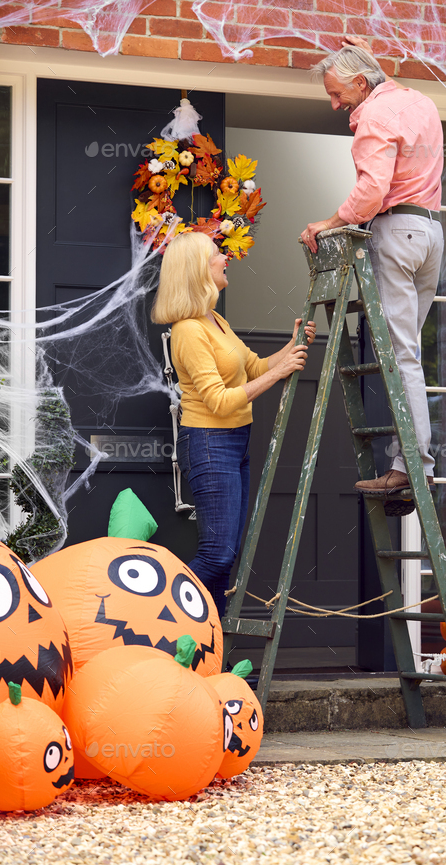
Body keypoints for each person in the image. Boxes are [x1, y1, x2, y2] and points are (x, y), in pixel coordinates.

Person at [300, 38, 444, 495]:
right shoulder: (418, 102)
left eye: (339, 93)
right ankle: (411, 464)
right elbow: (387, 88)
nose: (335, 103)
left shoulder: (375, 116)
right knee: (408, 355)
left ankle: (412, 469)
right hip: (430, 235)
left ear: (362, 84)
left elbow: (372, 192)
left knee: (401, 357)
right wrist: (374, 63)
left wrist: (327, 222)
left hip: (395, 232)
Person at [151, 232, 316, 616]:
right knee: (217, 553)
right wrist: (281, 374)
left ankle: (211, 652)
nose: (225, 258)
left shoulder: (216, 321)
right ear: (198, 270)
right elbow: (220, 402)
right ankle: (158, 619)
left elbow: (254, 367)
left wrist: (291, 347)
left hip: (234, 442)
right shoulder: (189, 330)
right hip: (209, 441)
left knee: (226, 557)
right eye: (216, 255)